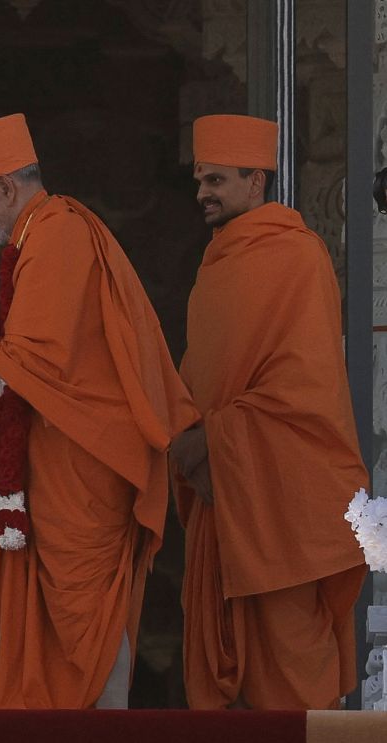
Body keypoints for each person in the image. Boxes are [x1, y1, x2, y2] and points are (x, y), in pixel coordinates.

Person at [0, 113, 197, 709]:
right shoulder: (42, 235)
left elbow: (51, 369)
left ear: (9, 187)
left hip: (85, 468)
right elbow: (40, 351)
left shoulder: (58, 233)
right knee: (59, 633)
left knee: (86, 627)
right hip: (60, 467)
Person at [170, 114, 368, 710]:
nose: (203, 192)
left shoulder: (297, 255)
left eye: (217, 181)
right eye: (200, 180)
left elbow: (302, 391)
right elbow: (201, 374)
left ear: (257, 182)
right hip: (224, 493)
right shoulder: (214, 267)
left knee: (291, 666)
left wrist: (207, 440)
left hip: (281, 492)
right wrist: (188, 435)